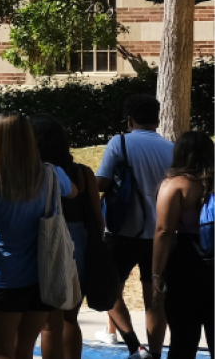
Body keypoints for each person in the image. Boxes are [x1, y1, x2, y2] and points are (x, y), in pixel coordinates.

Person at [0, 112, 76, 359]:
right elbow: (73, 192)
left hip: (4, 280)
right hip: (41, 279)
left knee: (1, 353)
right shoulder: (51, 174)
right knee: (23, 350)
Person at [97, 94, 176, 359]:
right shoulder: (172, 148)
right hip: (162, 236)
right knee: (155, 297)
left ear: (129, 119)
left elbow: (103, 183)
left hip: (125, 232)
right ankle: (154, 352)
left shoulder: (119, 143)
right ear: (157, 118)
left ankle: (134, 346)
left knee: (107, 288)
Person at [31, 114, 100, 359]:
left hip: (46, 242)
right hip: (79, 241)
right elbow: (96, 217)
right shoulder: (82, 173)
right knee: (71, 316)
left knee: (50, 321)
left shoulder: (36, 174)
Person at [148, 131, 215, 359]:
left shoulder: (175, 185)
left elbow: (164, 231)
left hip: (186, 264)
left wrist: (156, 274)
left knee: (183, 338)